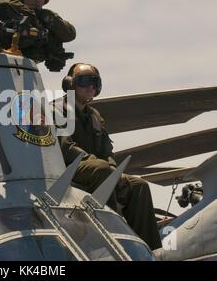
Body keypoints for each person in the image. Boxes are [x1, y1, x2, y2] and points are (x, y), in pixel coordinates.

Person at [57, 62, 162, 250]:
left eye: (95, 82)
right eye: (86, 81)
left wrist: (114, 170)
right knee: (104, 170)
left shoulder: (95, 115)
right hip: (66, 168)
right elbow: (66, 147)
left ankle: (151, 249)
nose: (92, 86)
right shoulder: (57, 110)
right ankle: (111, 236)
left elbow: (106, 151)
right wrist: (102, 165)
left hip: (97, 169)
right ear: (70, 84)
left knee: (139, 185)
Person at [0, 0, 76, 69]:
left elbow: (69, 34)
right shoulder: (8, 6)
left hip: (24, 71)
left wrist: (47, 17)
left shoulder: (45, 17)